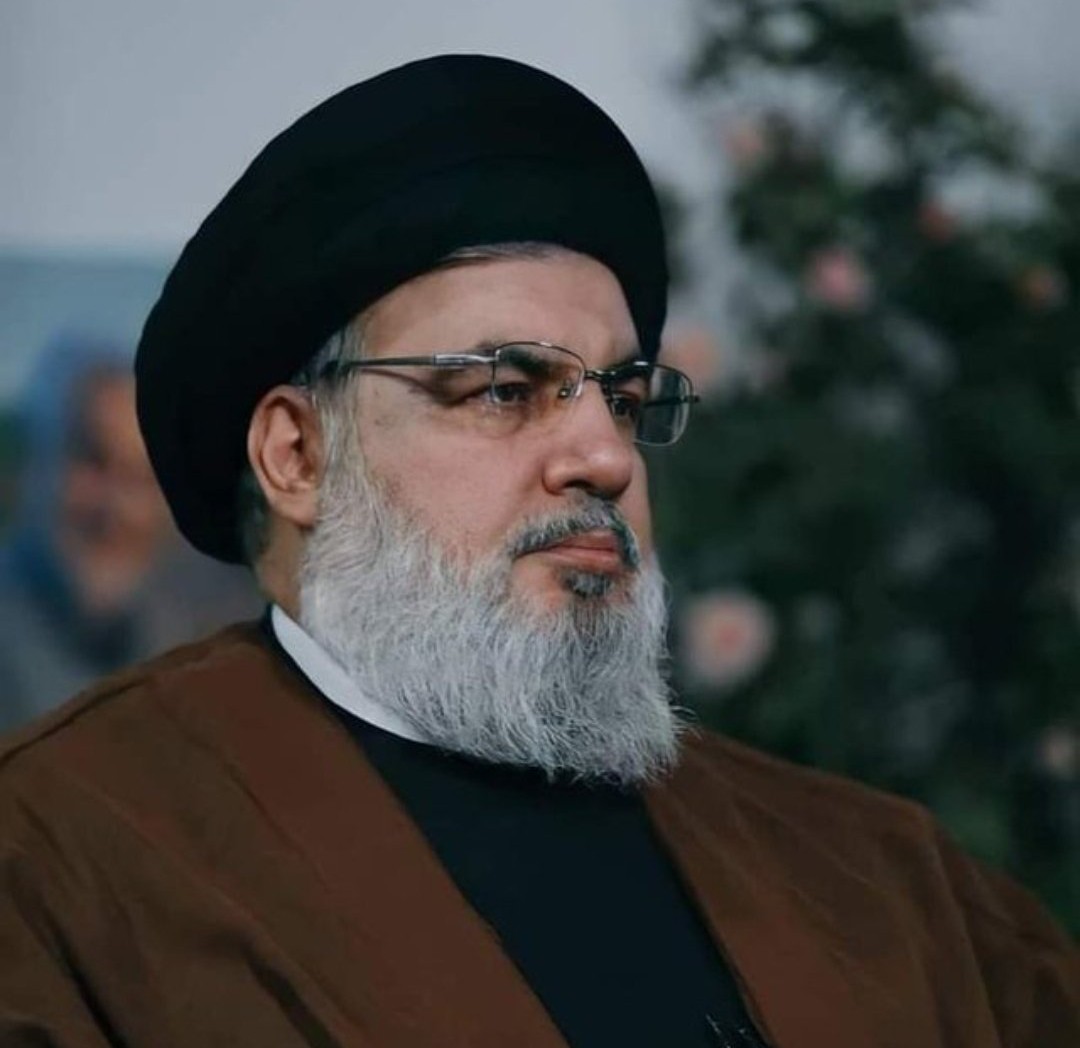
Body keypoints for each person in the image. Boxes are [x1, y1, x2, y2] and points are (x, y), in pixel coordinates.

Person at [0, 55, 1075, 1047]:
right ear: (299, 454)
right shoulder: (60, 856)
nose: (606, 456)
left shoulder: (889, 881)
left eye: (624, 398)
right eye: (505, 390)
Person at [0, 335, 172, 730]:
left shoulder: (178, 654)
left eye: (142, 478)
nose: (119, 507)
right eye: (94, 460)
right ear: (30, 464)